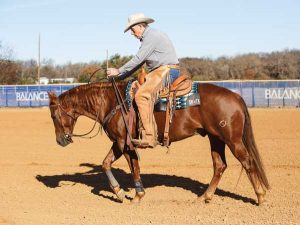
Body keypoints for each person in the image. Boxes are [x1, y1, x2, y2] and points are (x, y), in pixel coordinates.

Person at [107, 13, 179, 148]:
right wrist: (119, 77)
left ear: (140, 26)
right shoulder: (149, 37)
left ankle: (150, 137)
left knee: (141, 96)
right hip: (158, 71)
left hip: (166, 70)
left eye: (132, 30)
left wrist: (118, 70)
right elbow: (139, 63)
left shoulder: (151, 36)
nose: (132, 34)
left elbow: (138, 59)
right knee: (133, 88)